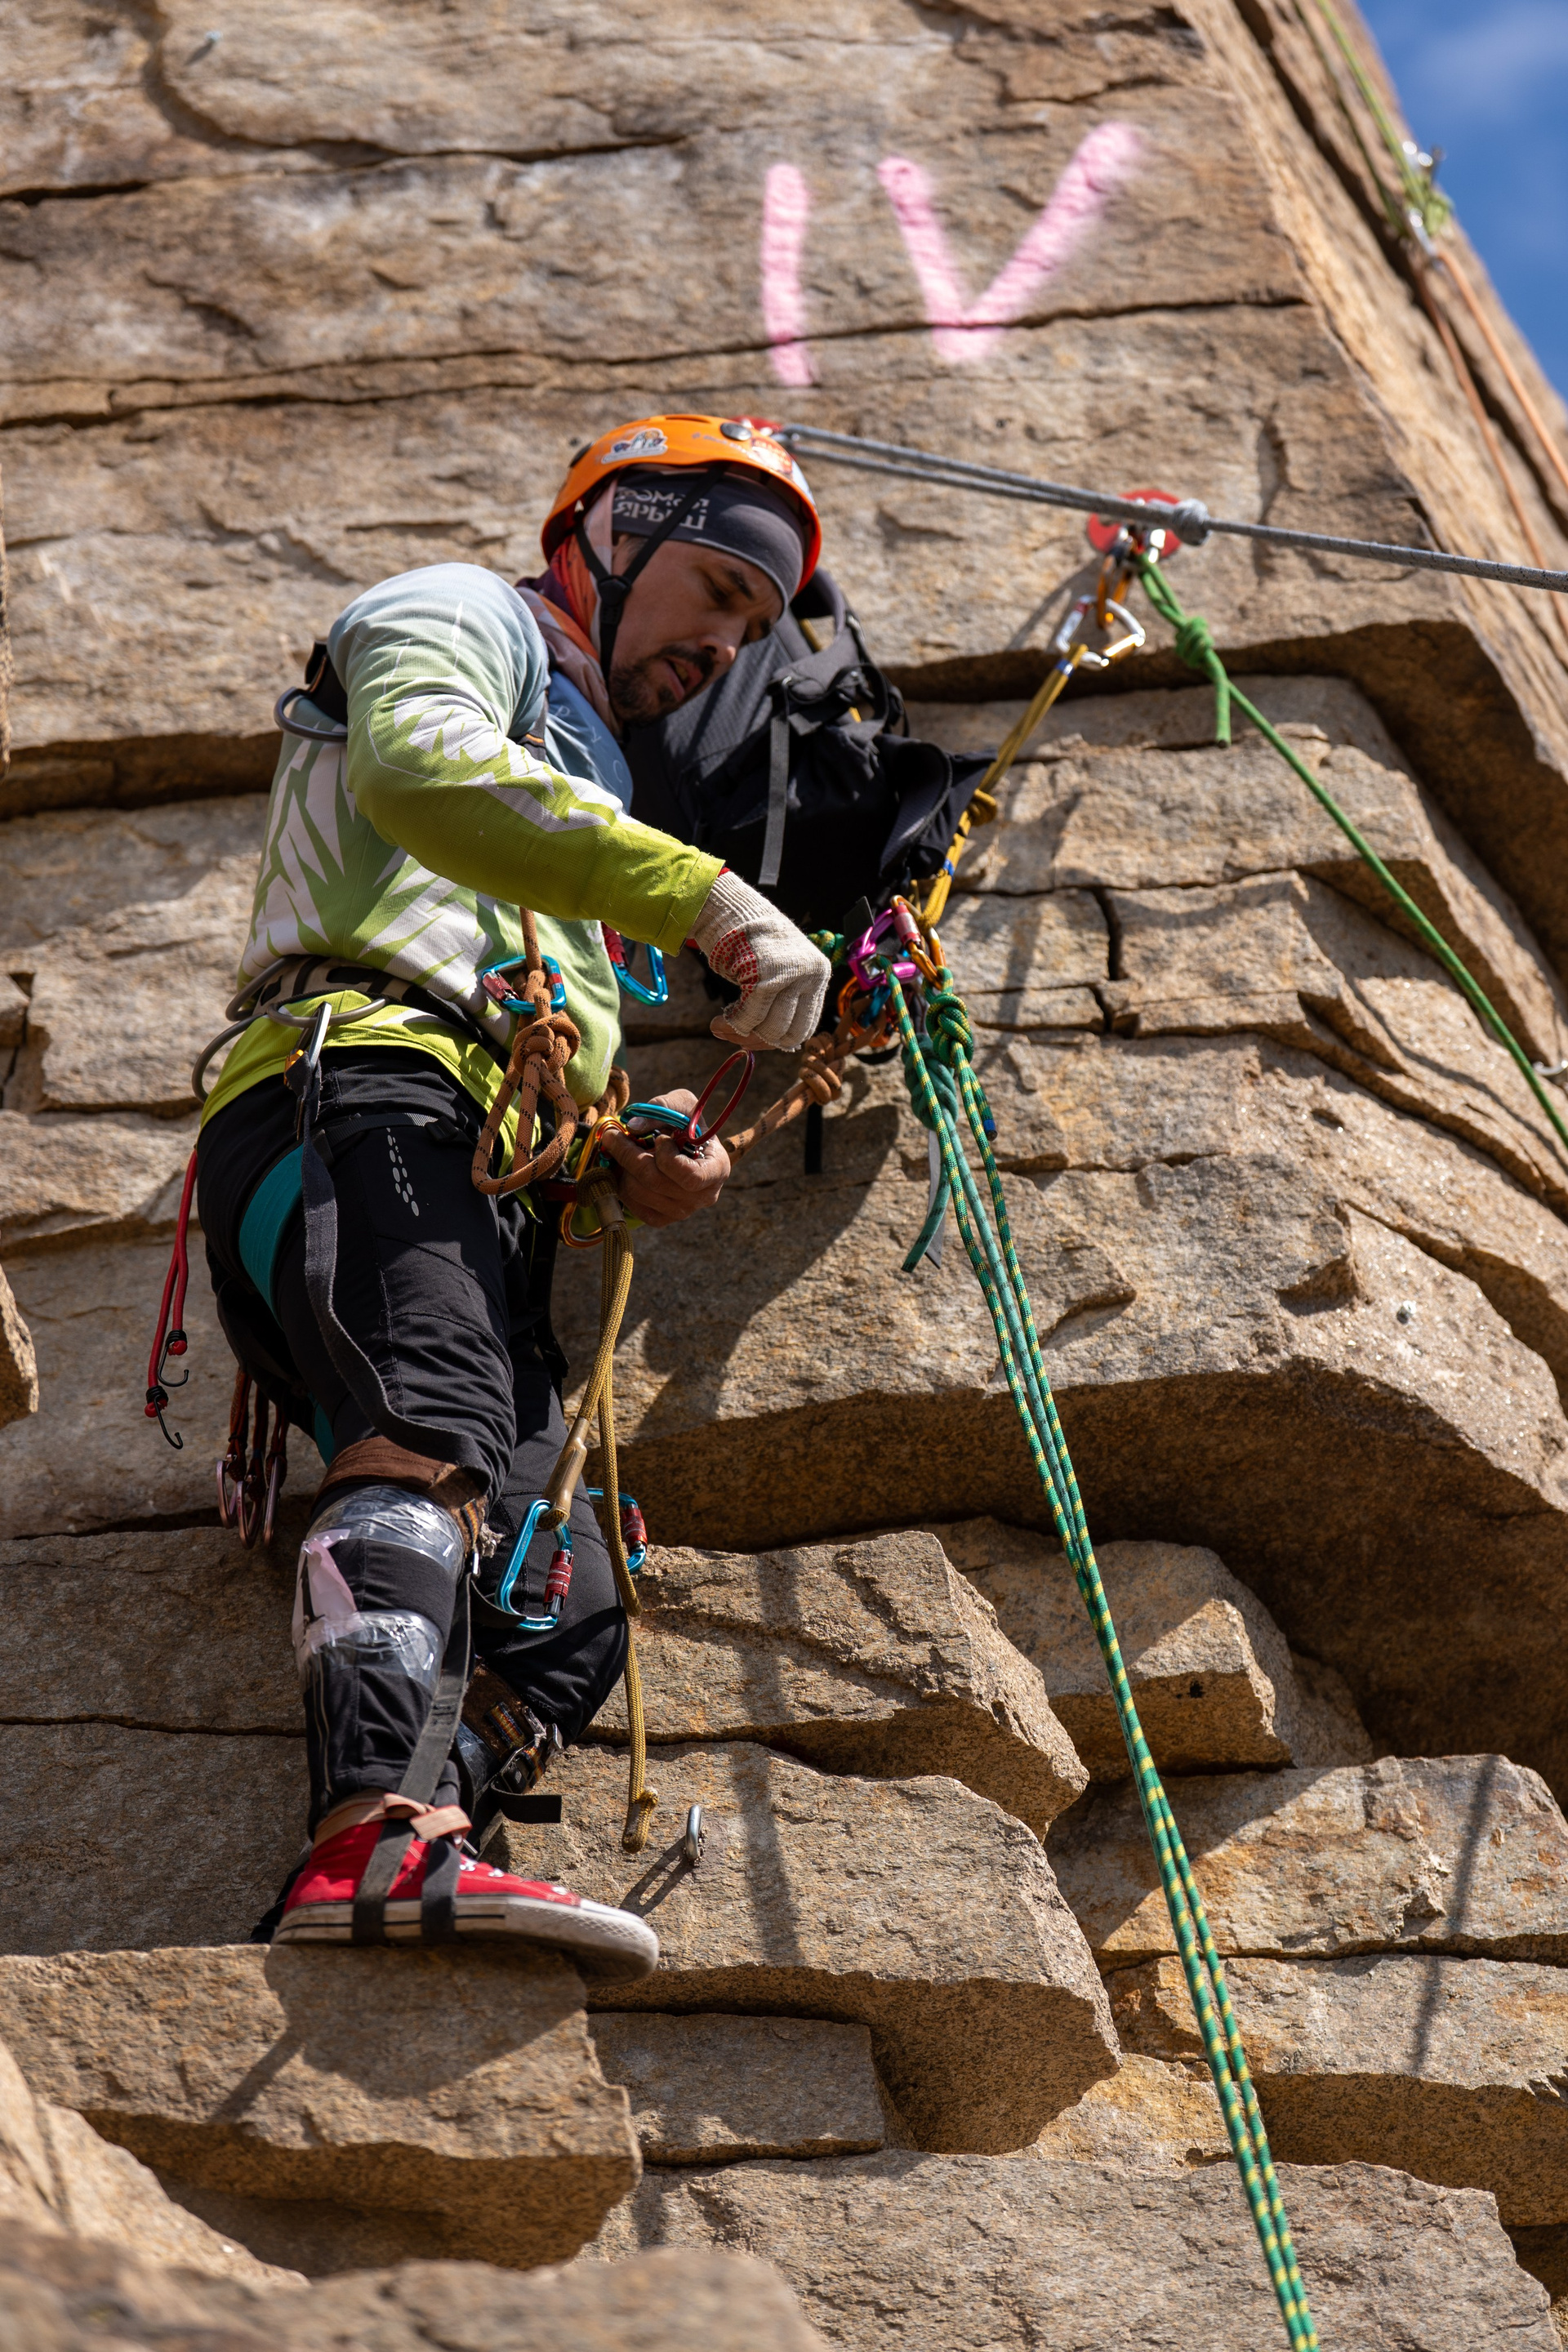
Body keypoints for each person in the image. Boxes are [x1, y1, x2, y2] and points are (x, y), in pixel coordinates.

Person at [194, 416, 831, 1973]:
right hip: (355, 1087)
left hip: (465, 1156)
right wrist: (704, 896)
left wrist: (624, 1160)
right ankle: (367, 1837)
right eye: (718, 588)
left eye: (754, 626)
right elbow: (417, 766)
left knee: (568, 1605)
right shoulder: (458, 612)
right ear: (608, 534)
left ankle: (424, 1834)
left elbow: (543, 1054)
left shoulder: (586, 785)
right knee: (430, 1420)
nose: (725, 644)